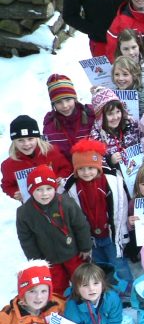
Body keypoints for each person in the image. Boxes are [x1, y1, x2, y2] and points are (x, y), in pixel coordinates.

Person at [62, 139, 130, 293]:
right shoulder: (72, 187)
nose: (86, 172)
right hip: (91, 239)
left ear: (98, 166)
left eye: (91, 168)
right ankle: (107, 294)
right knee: (99, 268)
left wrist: (123, 233)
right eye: (81, 169)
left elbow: (122, 207)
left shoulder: (111, 181)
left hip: (112, 235)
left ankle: (127, 293)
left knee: (118, 265)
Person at [16, 165, 92, 295]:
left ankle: (84, 301)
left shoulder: (66, 203)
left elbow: (81, 226)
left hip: (73, 254)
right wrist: (37, 261)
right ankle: (60, 304)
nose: (44, 194)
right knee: (57, 287)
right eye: (39, 189)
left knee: (81, 280)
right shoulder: (24, 212)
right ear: (30, 190)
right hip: (48, 259)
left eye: (49, 188)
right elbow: (26, 239)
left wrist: (85, 247)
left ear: (54, 188)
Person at [1, 115, 72, 201]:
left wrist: (60, 177)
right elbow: (7, 185)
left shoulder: (51, 152)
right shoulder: (8, 165)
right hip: (32, 204)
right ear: (14, 142)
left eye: (30, 139)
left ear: (37, 138)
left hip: (58, 199)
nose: (26, 144)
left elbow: (67, 167)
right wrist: (15, 192)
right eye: (20, 140)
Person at [42, 74, 95, 162]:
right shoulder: (49, 126)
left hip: (94, 166)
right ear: (53, 104)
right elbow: (53, 157)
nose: (65, 106)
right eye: (58, 102)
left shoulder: (91, 115)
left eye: (68, 100)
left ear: (75, 99)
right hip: (67, 169)